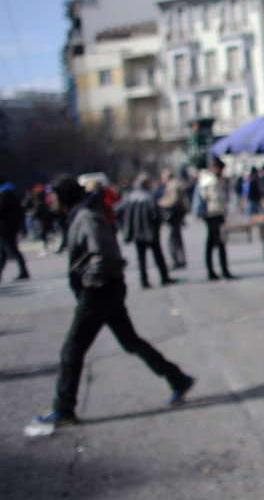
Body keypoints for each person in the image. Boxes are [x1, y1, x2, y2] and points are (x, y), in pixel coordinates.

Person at [28, 176, 195, 428]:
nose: (51, 201)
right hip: (105, 290)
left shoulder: (86, 218)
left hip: (99, 292)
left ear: (63, 198)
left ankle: (64, 407)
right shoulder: (82, 216)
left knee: (72, 350)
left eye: (54, 196)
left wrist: (91, 284)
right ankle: (177, 377)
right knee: (130, 341)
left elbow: (105, 255)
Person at [117, 174, 175, 288]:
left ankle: (144, 279)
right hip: (150, 231)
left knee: (141, 258)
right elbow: (156, 214)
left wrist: (127, 222)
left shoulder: (130, 196)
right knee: (158, 255)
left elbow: (118, 210)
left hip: (138, 233)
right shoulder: (149, 196)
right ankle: (164, 277)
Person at [195, 157, 236, 281]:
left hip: (213, 214)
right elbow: (213, 199)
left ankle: (214, 270)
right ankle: (221, 270)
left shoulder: (208, 179)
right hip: (213, 214)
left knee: (212, 242)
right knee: (218, 242)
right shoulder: (211, 180)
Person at [0, 178, 30, 281]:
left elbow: (2, 209)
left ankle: (24, 271)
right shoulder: (11, 193)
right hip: (9, 226)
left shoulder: (5, 195)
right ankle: (22, 270)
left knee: (12, 250)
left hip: (5, 227)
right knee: (5, 251)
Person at [158, 168, 188, 269]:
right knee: (176, 238)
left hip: (174, 215)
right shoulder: (175, 184)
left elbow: (173, 200)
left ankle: (177, 260)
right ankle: (180, 259)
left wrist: (161, 202)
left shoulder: (172, 185)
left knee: (173, 239)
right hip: (177, 214)